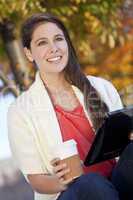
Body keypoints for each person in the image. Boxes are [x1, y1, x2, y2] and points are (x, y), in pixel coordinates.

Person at [7, 13, 133, 200]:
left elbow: (123, 146)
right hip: (71, 193)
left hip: (115, 183)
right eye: (42, 43)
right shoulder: (20, 111)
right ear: (28, 53)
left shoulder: (101, 87)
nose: (54, 48)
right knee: (91, 184)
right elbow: (35, 180)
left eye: (58, 39)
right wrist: (60, 181)